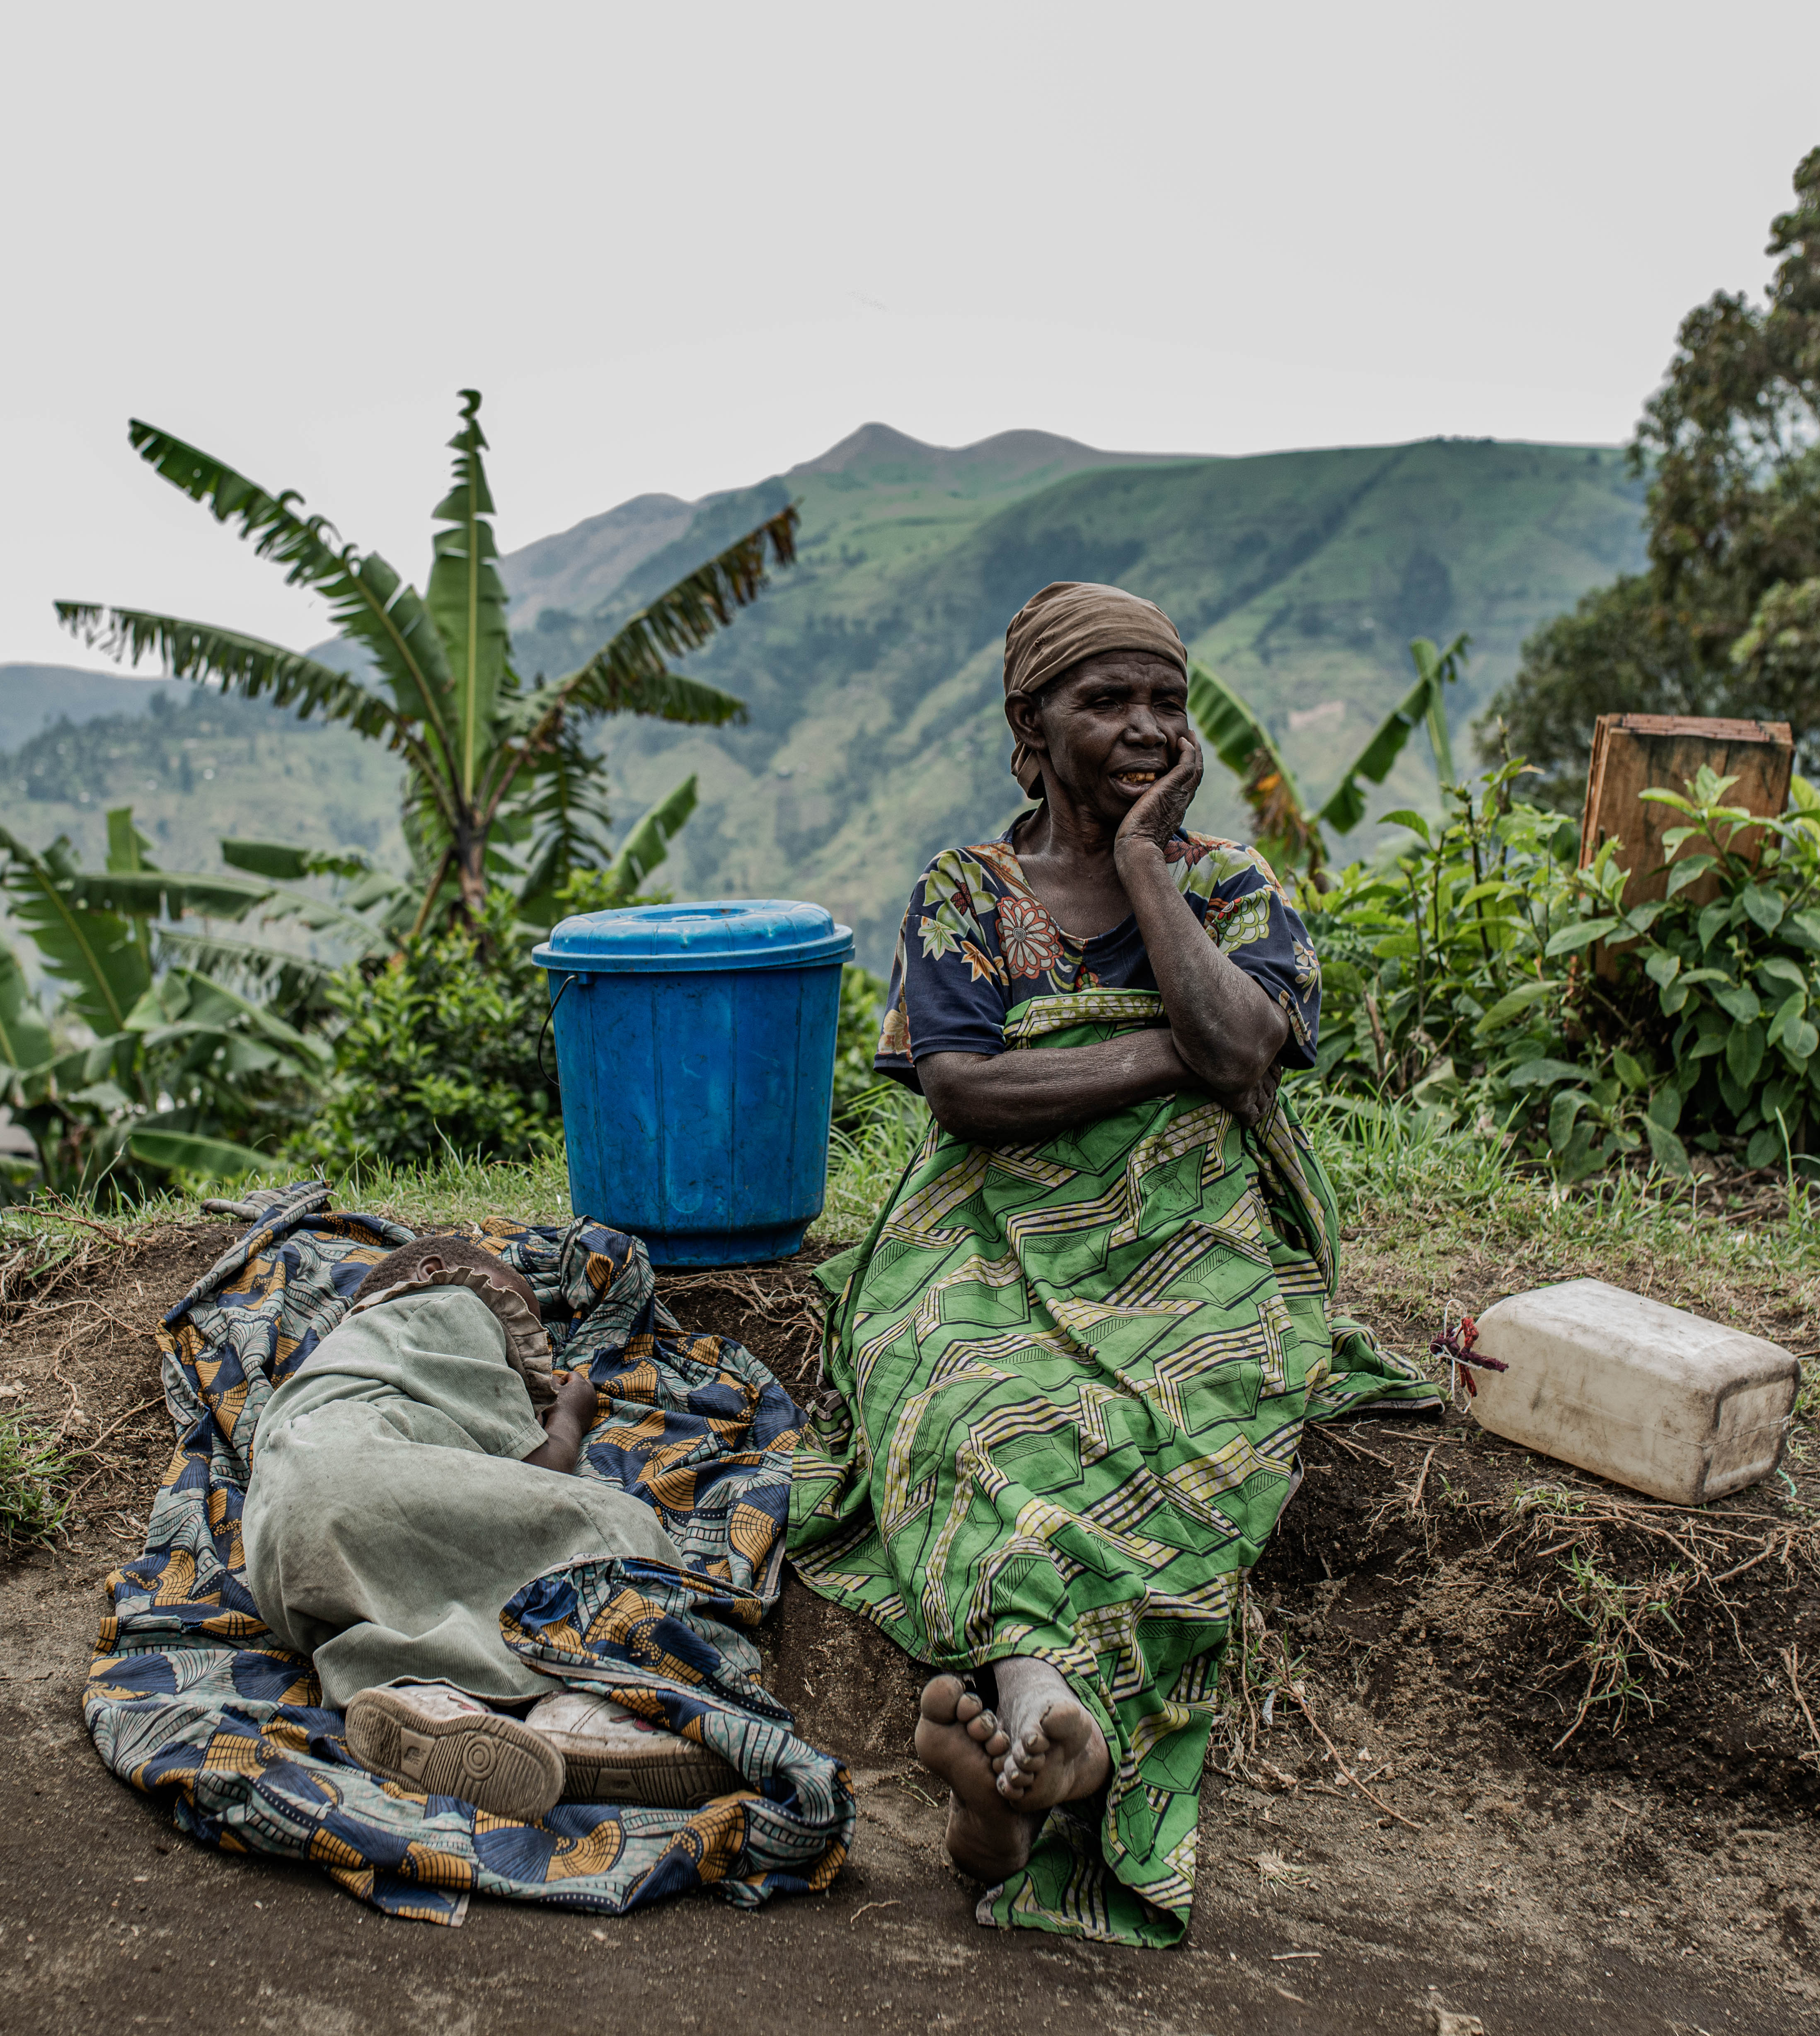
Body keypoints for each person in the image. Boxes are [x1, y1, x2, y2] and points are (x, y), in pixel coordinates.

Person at [784, 582, 1434, 1946]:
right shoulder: (971, 890)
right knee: (956, 1390)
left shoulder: (1223, 882)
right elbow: (964, 1093)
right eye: (1105, 700)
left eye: (1164, 701)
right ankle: (1037, 1701)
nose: (1145, 725)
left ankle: (1037, 1745)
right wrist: (1180, 1057)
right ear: (1031, 722)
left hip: (1193, 1222)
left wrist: (1145, 860)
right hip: (985, 1222)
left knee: (1178, 1413)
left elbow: (1249, 1044)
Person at [240, 1234, 742, 1820]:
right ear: (436, 1271)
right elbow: (535, 1466)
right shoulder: (448, 1306)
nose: (528, 1354)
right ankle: (581, 1703)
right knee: (610, 1524)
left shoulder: (340, 1366)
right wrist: (571, 1417)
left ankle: (424, 1700)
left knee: (403, 1595)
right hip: (359, 1472)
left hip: (276, 1550)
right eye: (523, 1325)